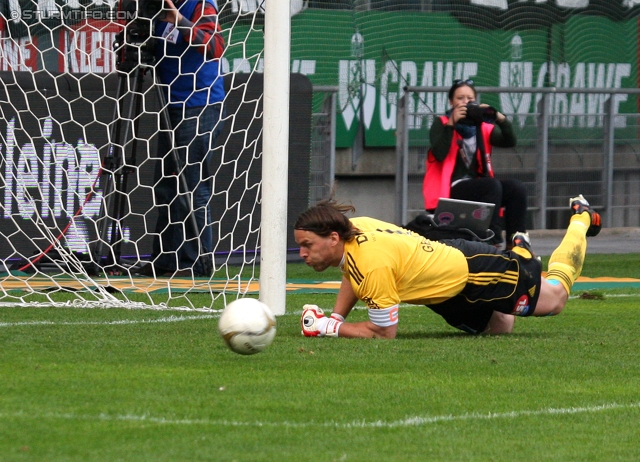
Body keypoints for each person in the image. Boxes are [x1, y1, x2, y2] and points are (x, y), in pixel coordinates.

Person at [295, 195, 601, 339]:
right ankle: (519, 253)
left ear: (333, 238)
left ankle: (581, 218)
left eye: (308, 244)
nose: (302, 253)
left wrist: (327, 327)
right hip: (443, 294)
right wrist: (337, 315)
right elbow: (352, 271)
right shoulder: (354, 231)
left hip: (475, 269)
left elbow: (383, 334)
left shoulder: (370, 262)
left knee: (556, 299)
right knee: (501, 327)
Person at [137, 0, 225, 277]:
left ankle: (196, 262)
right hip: (171, 105)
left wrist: (181, 23)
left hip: (199, 105)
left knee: (191, 186)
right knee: (166, 187)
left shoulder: (200, 4)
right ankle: (165, 260)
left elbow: (216, 47)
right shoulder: (154, 8)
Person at [424, 79, 526, 247]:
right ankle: (491, 242)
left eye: (470, 99)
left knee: (516, 188)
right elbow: (439, 154)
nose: (466, 102)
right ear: (451, 102)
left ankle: (517, 243)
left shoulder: (483, 126)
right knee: (491, 186)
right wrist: (451, 124)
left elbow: (510, 141)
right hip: (450, 187)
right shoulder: (441, 123)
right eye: (460, 98)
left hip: (480, 184)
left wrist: (498, 117)